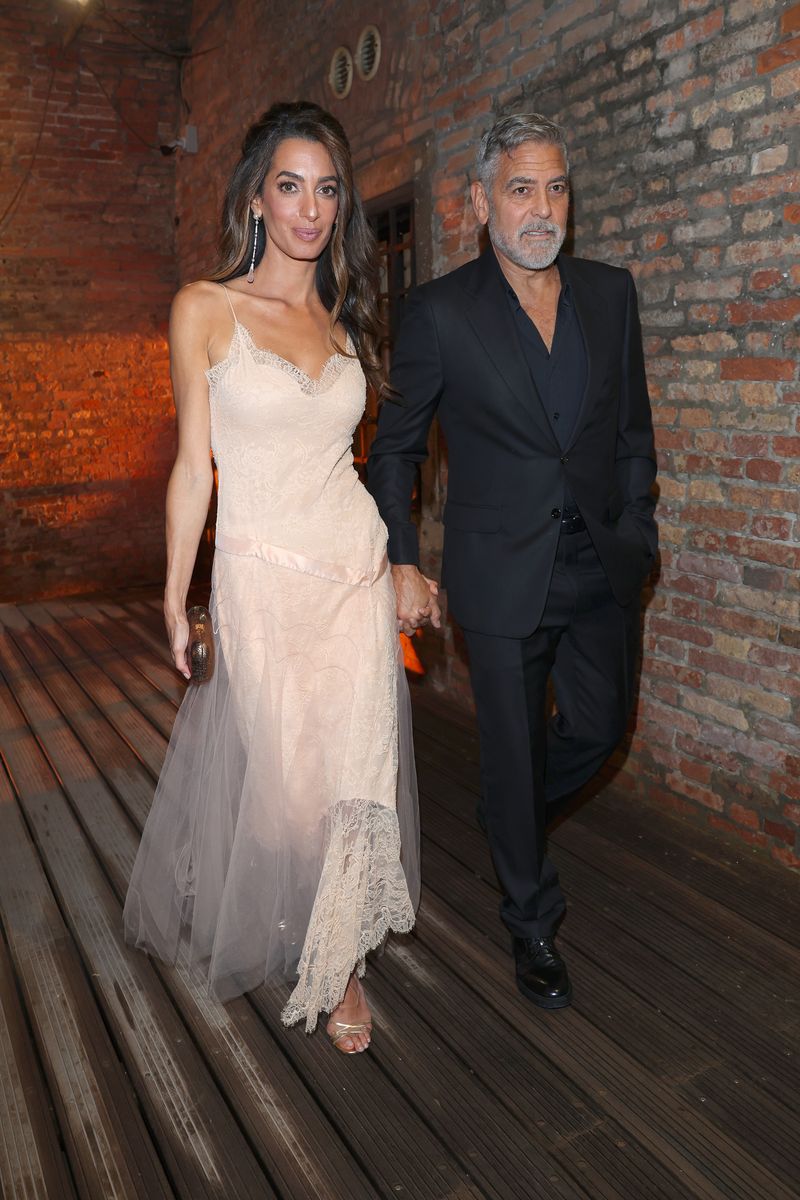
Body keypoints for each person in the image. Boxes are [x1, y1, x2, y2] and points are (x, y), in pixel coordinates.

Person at [123, 101, 420, 1054]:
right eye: (290, 186)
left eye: (327, 190)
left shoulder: (343, 323)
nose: (310, 208)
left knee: (353, 779)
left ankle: (341, 965)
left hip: (352, 575)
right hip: (258, 579)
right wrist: (176, 592)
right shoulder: (204, 310)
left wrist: (398, 570)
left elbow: (355, 469)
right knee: (292, 795)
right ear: (257, 196)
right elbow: (189, 467)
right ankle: (311, 925)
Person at [368, 112, 657, 1010]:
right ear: (481, 200)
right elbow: (395, 451)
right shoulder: (441, 313)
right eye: (521, 189)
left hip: (601, 562)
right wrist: (405, 561)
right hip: (499, 575)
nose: (542, 209)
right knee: (510, 739)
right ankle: (532, 920)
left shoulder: (610, 295)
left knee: (600, 729)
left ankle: (510, 809)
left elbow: (633, 432)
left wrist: (640, 526)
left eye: (557, 188)